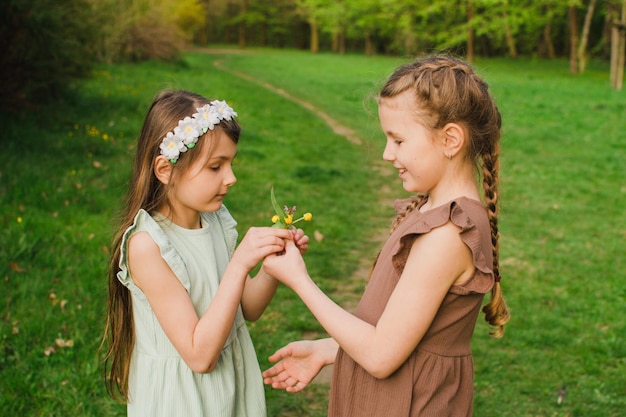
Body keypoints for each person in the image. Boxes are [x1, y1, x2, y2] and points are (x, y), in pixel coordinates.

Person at [261, 55, 510, 416]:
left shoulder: (449, 234)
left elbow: (380, 355)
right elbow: (407, 331)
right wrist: (331, 349)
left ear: (450, 139)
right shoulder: (430, 209)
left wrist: (300, 282)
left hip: (412, 403)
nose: (386, 153)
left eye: (398, 140)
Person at [102, 90, 308, 417]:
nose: (231, 178)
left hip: (231, 381)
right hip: (183, 398)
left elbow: (248, 309)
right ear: (165, 169)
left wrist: (270, 266)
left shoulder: (215, 221)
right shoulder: (148, 246)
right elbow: (199, 356)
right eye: (216, 167)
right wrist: (240, 263)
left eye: (231, 163)